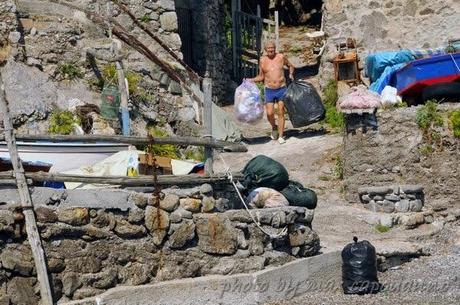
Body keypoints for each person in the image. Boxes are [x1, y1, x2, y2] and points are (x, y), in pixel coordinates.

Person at [248, 41, 295, 144]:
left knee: (281, 111)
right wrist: (250, 80)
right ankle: (274, 127)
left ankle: (281, 136)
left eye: (272, 48)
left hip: (281, 88)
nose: (270, 50)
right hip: (269, 89)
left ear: (275, 48)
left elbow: (291, 66)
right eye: (268, 48)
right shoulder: (262, 61)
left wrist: (291, 74)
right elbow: (261, 76)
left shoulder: (281, 57)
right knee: (269, 113)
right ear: (265, 50)